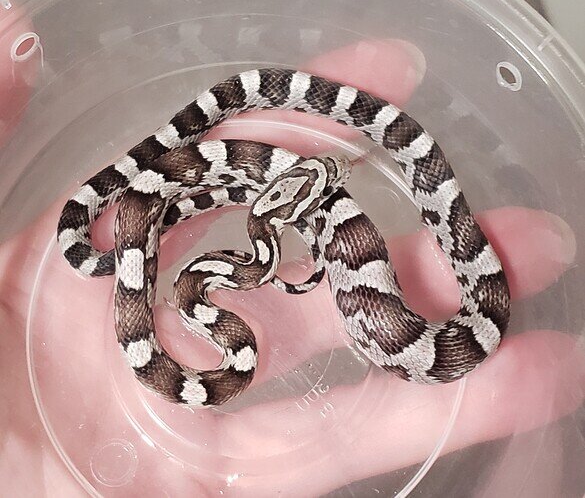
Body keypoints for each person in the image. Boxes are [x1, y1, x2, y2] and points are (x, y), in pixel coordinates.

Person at [0, 28, 583, 495]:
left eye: (320, 178)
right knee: (122, 239)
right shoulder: (237, 262)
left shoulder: (250, 240)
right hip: (220, 247)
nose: (333, 174)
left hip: (233, 243)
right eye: (321, 175)